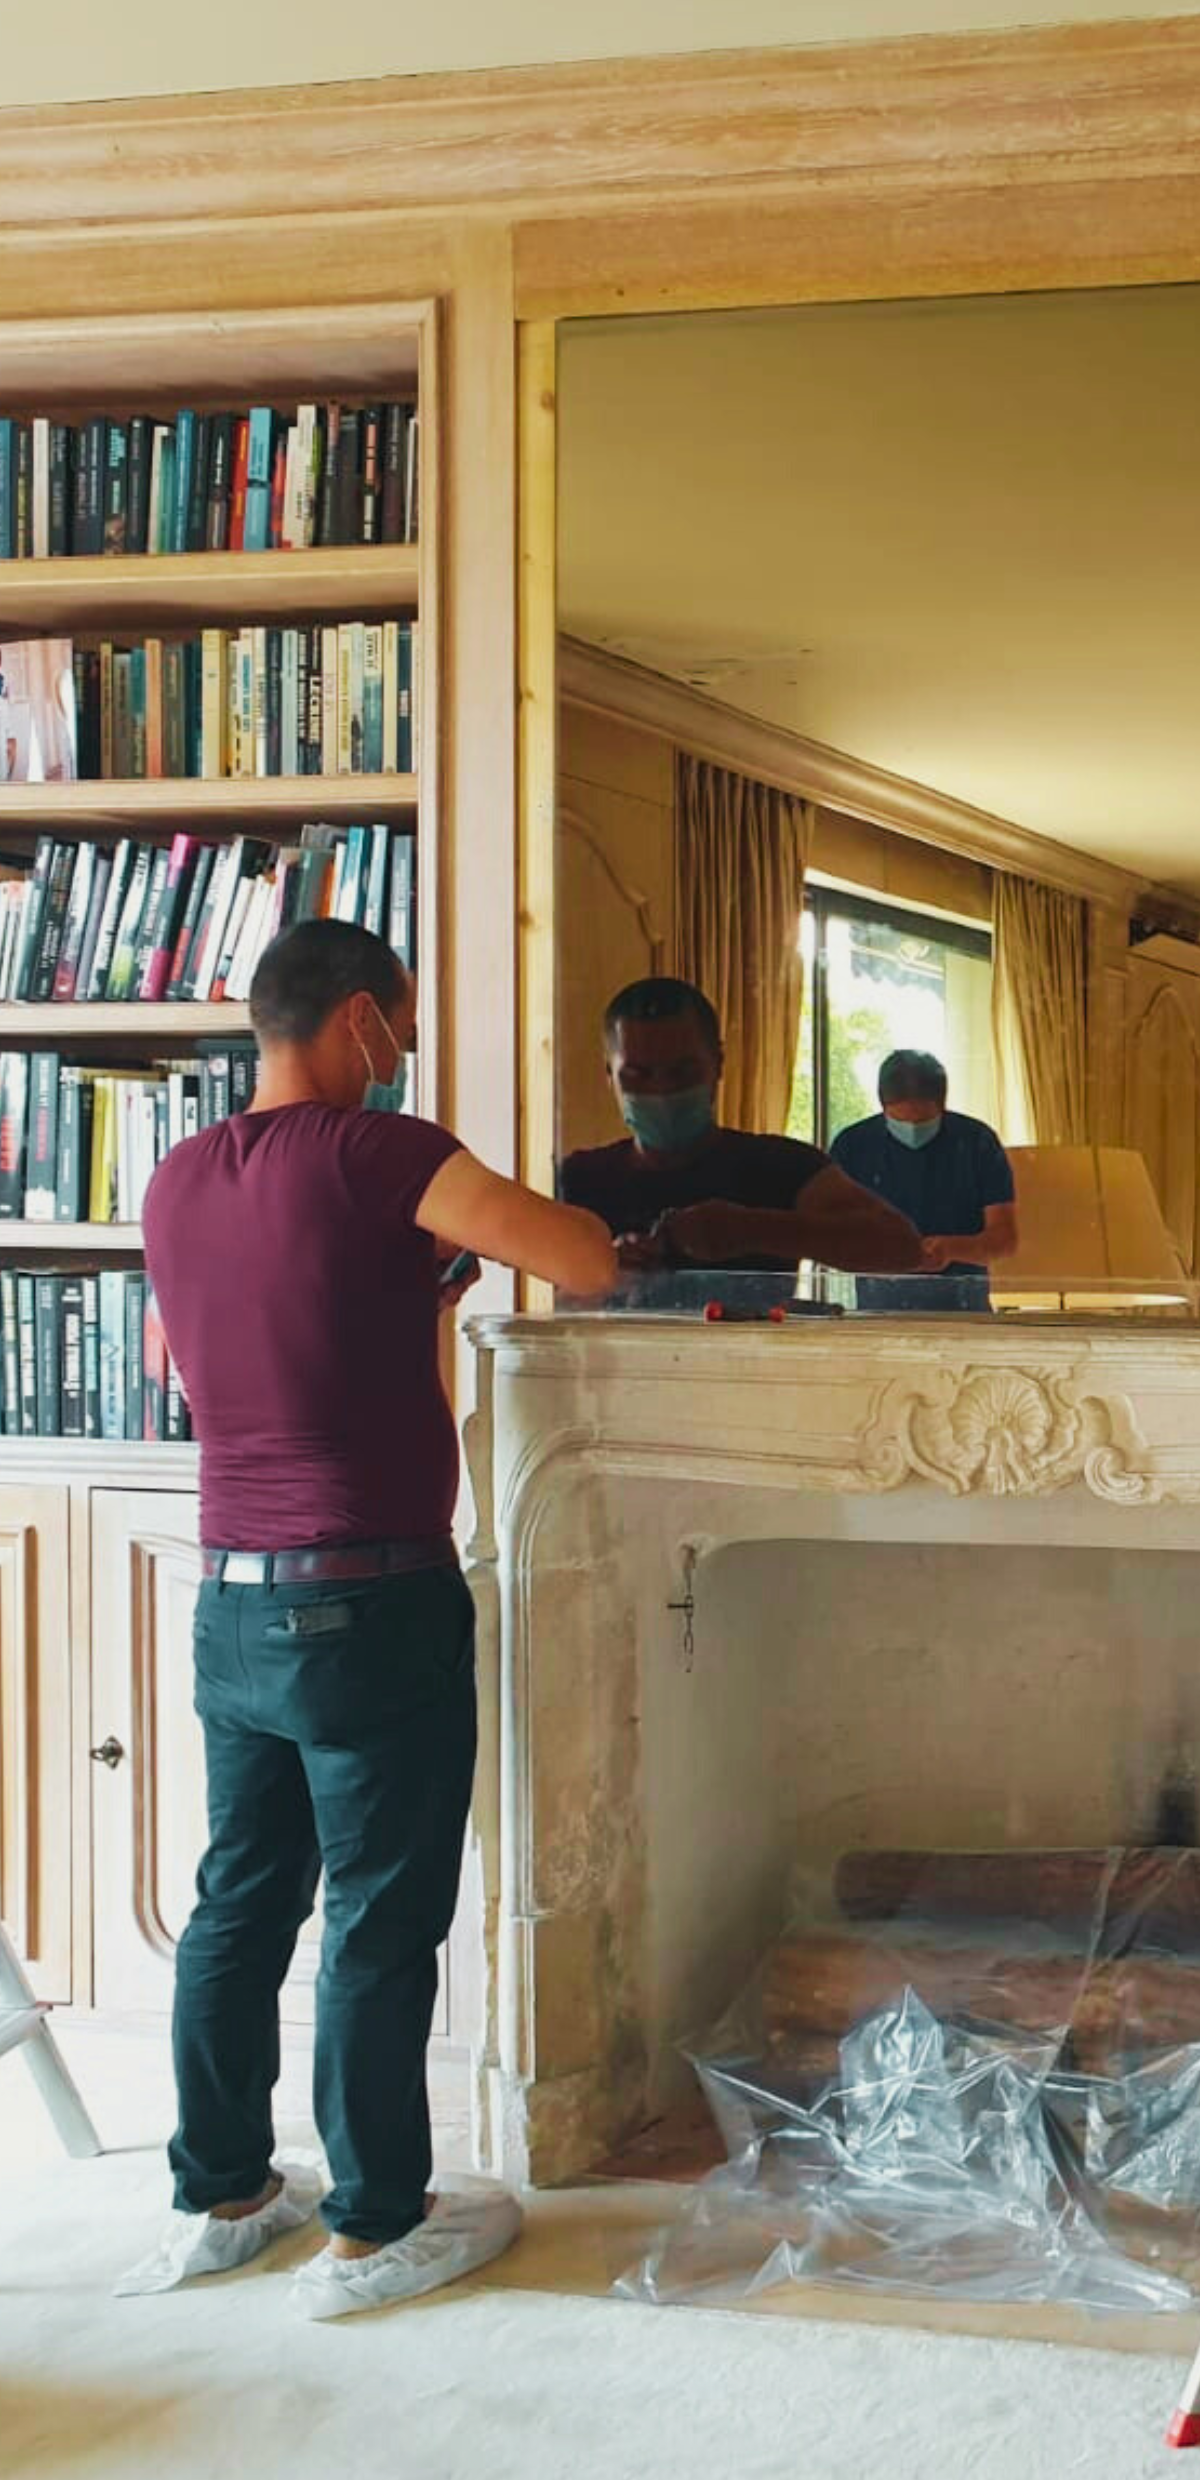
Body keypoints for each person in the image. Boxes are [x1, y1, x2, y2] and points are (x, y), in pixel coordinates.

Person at [122, 919, 614, 2319]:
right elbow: (582, 1259)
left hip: (226, 1601)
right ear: (360, 1023)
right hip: (370, 1601)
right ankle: (375, 2225)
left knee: (237, 1907)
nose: (399, 1051)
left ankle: (221, 2192)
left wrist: (411, 1283)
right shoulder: (384, 1154)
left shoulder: (172, 1179)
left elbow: (203, 1345)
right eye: (395, 1024)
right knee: (380, 1923)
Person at [557, 976, 921, 1277]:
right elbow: (526, 1290)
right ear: (610, 1077)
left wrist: (754, 1229)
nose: (662, 1090)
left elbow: (901, 1247)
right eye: (637, 1076)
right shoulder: (578, 1180)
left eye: (682, 1072)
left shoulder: (780, 1166)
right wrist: (600, 1273)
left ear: (717, 1065)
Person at [830, 1048, 1018, 1312]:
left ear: (942, 1106)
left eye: (924, 1121)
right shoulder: (853, 1146)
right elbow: (831, 1237)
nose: (912, 1129)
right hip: (879, 1312)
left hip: (965, 1310)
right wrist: (882, 1256)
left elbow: (1005, 1238)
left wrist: (952, 1249)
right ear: (883, 1107)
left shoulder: (976, 1142)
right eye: (900, 1120)